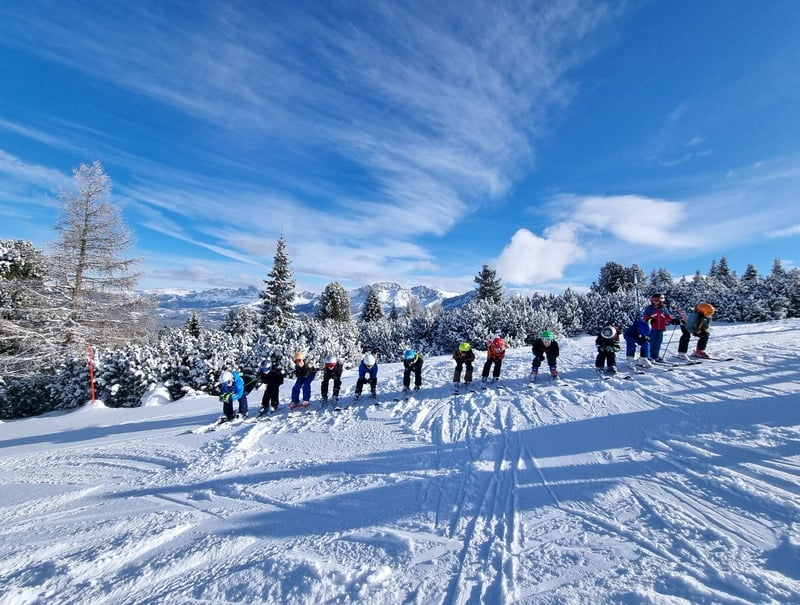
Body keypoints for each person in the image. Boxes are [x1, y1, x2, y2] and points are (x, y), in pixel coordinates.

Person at [642, 293, 676, 362]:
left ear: (661, 301)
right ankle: (648, 356)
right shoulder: (650, 308)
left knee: (658, 342)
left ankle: (655, 355)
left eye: (656, 300)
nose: (654, 302)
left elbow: (668, 316)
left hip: (660, 328)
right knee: (650, 342)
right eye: (653, 300)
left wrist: (673, 320)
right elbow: (645, 317)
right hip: (652, 329)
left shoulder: (663, 309)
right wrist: (650, 320)